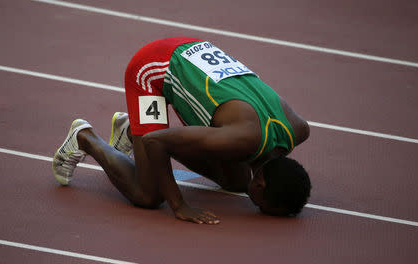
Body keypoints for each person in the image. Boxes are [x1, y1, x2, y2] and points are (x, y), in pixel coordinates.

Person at [52, 36, 311, 224]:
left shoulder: (297, 130)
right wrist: (179, 204)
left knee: (236, 180)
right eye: (263, 207)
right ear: (262, 184)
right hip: (152, 68)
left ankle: (133, 130)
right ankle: (85, 137)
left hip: (192, 50)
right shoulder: (242, 138)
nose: (259, 210)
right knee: (149, 194)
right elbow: (156, 142)